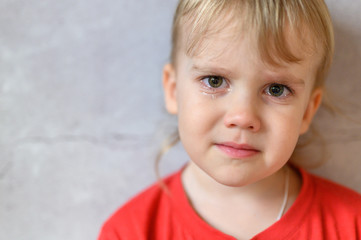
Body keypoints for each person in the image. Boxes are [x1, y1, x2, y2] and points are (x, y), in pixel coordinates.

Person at [98, 0, 361, 239]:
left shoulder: (352, 225)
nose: (243, 117)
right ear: (173, 90)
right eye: (215, 81)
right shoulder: (129, 232)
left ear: (307, 111)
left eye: (276, 89)